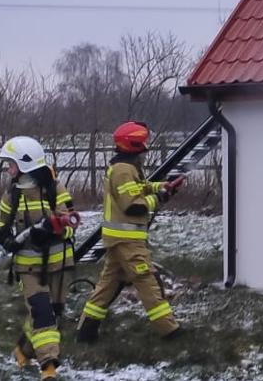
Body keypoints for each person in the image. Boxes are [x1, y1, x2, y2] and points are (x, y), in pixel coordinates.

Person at [76, 121, 183, 344]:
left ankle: (85, 331)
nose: (146, 149)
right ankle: (170, 332)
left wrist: (163, 186)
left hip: (118, 241)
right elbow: (133, 205)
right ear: (134, 144)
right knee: (147, 282)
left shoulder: (124, 167)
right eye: (143, 143)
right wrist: (159, 198)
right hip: (127, 241)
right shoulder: (124, 170)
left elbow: (141, 187)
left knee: (107, 287)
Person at [0, 136, 78, 379]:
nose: (9, 169)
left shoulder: (54, 189)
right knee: (42, 312)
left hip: (59, 263)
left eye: (11, 164)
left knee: (54, 313)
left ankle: (23, 349)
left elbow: (71, 223)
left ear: (26, 163)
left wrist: (52, 230)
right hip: (29, 268)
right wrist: (4, 236)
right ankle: (49, 366)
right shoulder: (13, 194)